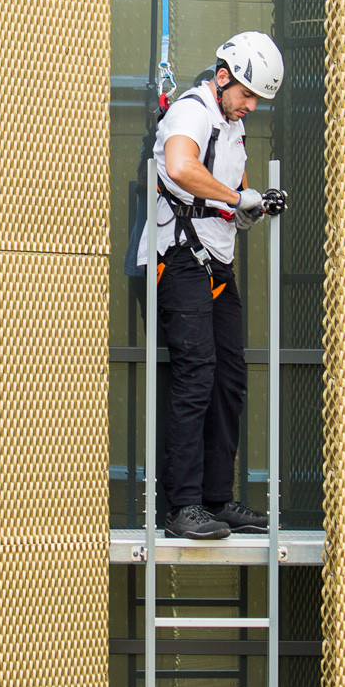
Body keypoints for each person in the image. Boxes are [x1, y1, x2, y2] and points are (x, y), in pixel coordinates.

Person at [137, 32, 288, 539]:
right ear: (222, 76)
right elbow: (180, 167)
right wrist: (237, 198)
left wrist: (253, 205)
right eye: (246, 94)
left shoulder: (231, 126)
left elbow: (228, 199)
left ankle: (215, 499)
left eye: (257, 100)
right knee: (196, 375)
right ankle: (182, 507)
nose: (250, 106)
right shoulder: (192, 110)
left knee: (229, 379)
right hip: (178, 257)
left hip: (214, 262)